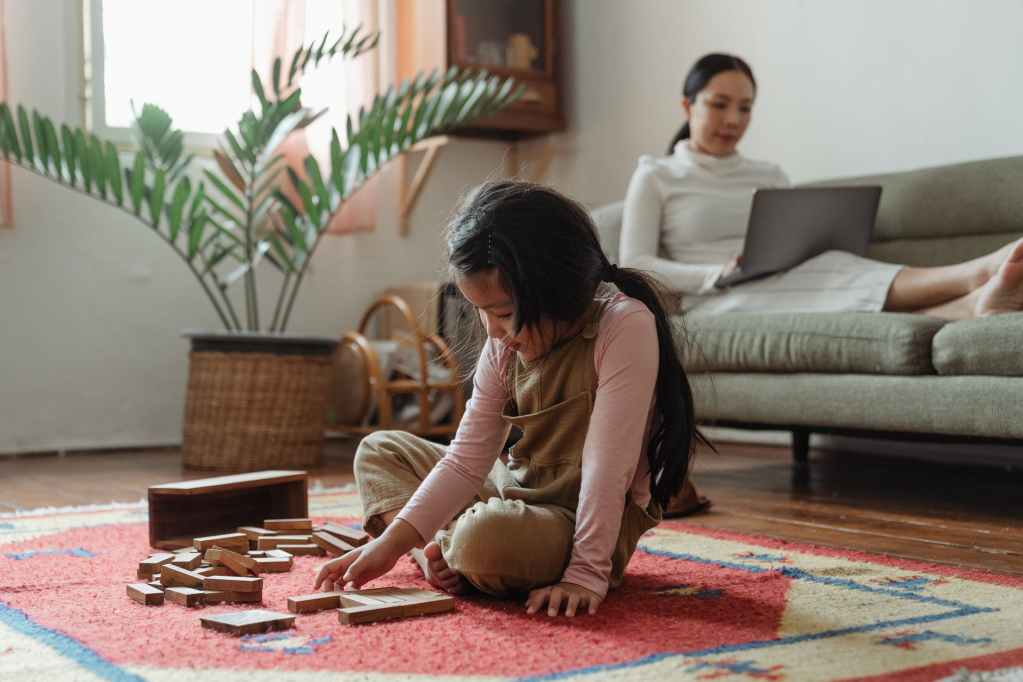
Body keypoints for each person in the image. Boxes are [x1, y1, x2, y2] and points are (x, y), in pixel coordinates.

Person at [314, 181, 706, 617]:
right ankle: (436, 554)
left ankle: (454, 547)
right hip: (515, 492)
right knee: (379, 451)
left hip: (578, 523)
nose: (492, 331)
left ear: (555, 291)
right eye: (480, 312)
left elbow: (607, 468)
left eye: (501, 313)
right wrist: (388, 547)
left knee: (487, 540)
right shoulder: (502, 344)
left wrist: (586, 574)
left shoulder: (624, 325)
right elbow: (465, 460)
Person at [620, 53, 1023, 319]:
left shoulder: (769, 175)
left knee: (832, 267)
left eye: (745, 108)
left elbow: (796, 240)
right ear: (688, 105)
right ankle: (974, 274)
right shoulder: (656, 175)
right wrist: (714, 274)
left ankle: (972, 304)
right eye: (719, 104)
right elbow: (636, 264)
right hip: (714, 298)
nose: (733, 120)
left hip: (787, 277)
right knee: (824, 278)